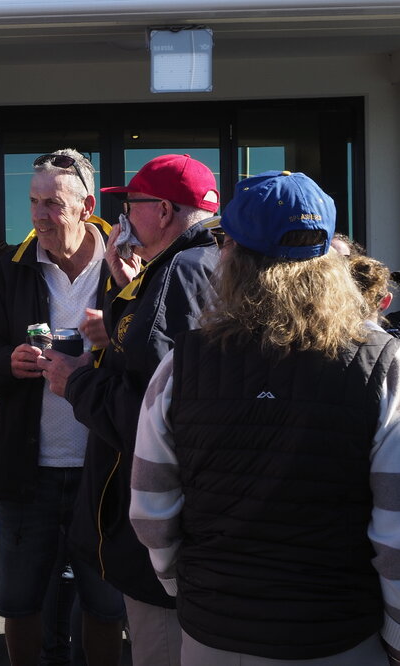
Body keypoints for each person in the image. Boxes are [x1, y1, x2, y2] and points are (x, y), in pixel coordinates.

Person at [130, 170, 400, 665]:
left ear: (233, 254)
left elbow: (151, 509)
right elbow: (396, 528)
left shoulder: (182, 363)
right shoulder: (381, 363)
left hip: (215, 634)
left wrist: (184, 587)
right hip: (338, 635)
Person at [40, 154, 220, 666]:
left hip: (162, 538)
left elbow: (151, 412)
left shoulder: (180, 273)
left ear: (163, 211)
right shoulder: (204, 262)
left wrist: (75, 381)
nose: (123, 219)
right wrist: (125, 294)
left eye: (132, 205)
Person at [0, 149, 124, 666]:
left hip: (103, 466)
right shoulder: (10, 266)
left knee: (105, 602)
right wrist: (5, 360)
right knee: (17, 600)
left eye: (52, 204)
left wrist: (107, 352)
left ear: (85, 205)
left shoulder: (123, 265)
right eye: (34, 202)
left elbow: (155, 354)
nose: (39, 215)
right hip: (28, 467)